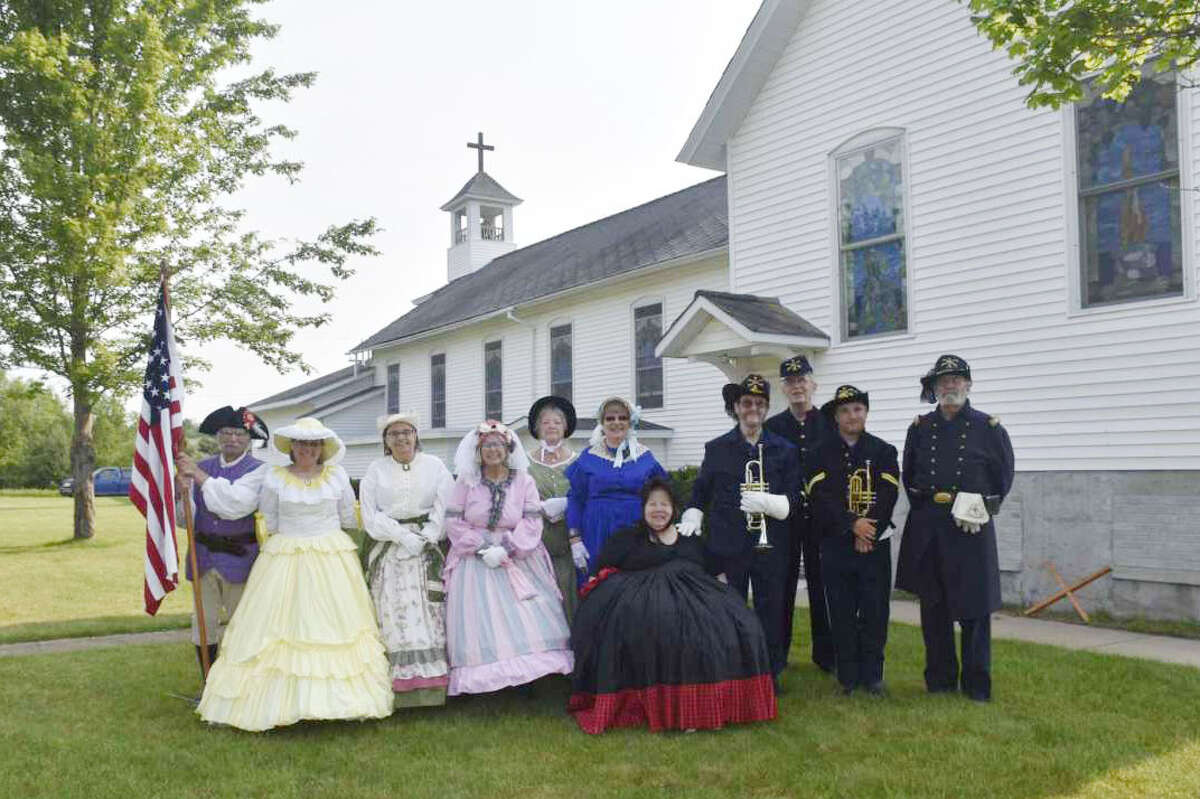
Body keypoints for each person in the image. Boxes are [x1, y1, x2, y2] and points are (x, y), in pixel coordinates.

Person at [175, 417, 392, 731]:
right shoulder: (275, 477)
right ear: (292, 447)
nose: (307, 450)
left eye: (314, 444)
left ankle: (335, 702)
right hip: (286, 555)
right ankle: (275, 701)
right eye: (302, 444)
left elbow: (347, 516)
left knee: (330, 625)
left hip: (330, 557)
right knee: (277, 629)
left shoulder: (337, 476)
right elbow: (271, 518)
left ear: (322, 448)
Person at [569, 477, 776, 734]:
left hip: (698, 607)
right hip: (644, 612)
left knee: (734, 628)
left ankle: (706, 707)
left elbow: (718, 574)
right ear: (643, 508)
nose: (659, 510)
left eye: (664, 504)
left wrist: (731, 607)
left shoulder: (690, 540)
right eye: (652, 504)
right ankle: (675, 709)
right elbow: (598, 574)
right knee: (668, 632)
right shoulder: (626, 539)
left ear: (674, 508)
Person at [896, 355, 1015, 702]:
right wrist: (927, 510)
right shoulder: (920, 428)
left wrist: (979, 508)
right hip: (930, 530)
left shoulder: (988, 428)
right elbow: (910, 476)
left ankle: (977, 686)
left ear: (968, 384)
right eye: (943, 380)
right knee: (934, 609)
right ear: (934, 388)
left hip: (970, 531)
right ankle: (940, 680)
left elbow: (1003, 478)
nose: (950, 385)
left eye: (956, 379)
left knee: (975, 610)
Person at [680, 374, 802, 688]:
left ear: (766, 408)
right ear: (736, 407)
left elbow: (794, 497)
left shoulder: (784, 449)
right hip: (728, 545)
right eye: (747, 403)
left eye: (760, 404)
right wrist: (693, 514)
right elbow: (701, 491)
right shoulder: (717, 448)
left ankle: (768, 674)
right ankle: (731, 670)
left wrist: (772, 503)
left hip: (771, 545)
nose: (753, 409)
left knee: (771, 610)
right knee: (729, 608)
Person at [443, 420, 573, 695]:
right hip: (475, 556)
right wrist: (481, 548)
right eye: (487, 446)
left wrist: (508, 548)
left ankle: (529, 678)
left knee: (527, 613)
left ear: (508, 449)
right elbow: (453, 521)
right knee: (480, 616)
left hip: (518, 552)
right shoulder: (466, 482)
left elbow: (532, 520)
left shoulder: (524, 481)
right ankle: (488, 678)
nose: (493, 450)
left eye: (498, 445)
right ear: (479, 451)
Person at [806, 386, 899, 695]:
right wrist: (852, 524)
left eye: (858, 409)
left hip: (875, 543)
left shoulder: (884, 451)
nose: (852, 416)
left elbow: (888, 495)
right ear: (836, 417)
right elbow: (820, 497)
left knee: (875, 611)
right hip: (836, 543)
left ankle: (873, 676)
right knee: (841, 610)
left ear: (866, 412)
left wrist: (868, 530)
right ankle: (847, 676)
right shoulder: (818, 452)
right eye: (845, 411)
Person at [359, 411, 455, 708]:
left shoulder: (435, 466)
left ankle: (433, 689)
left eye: (406, 432)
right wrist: (402, 536)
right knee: (392, 608)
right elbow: (370, 515)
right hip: (389, 547)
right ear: (385, 440)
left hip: (427, 547)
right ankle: (397, 690)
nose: (401, 438)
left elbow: (445, 506)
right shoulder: (376, 469)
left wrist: (427, 537)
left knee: (431, 611)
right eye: (394, 434)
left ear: (416, 436)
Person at [180, 405, 269, 681]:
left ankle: (241, 683)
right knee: (203, 623)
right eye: (227, 433)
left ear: (249, 439)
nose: (232, 439)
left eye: (239, 434)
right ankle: (208, 683)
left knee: (242, 623)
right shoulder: (201, 466)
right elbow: (184, 520)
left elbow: (234, 504)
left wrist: (198, 477)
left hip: (241, 557)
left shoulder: (259, 471)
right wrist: (181, 494)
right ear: (217, 436)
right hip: (203, 556)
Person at [764, 355, 835, 673]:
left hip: (822, 519)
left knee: (823, 586)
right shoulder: (773, 427)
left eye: (802, 380)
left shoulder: (830, 422)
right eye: (791, 382)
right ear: (784, 388)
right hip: (785, 518)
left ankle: (827, 655)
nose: (797, 387)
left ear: (813, 384)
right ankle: (778, 655)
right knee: (782, 585)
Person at [565, 397, 666, 578]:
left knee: (635, 584)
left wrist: (661, 529)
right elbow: (575, 499)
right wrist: (575, 539)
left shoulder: (645, 456)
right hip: (596, 530)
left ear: (630, 422)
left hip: (635, 530)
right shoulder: (588, 457)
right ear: (602, 423)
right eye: (610, 418)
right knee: (597, 583)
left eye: (622, 418)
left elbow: (663, 495)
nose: (616, 422)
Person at [526, 395, 581, 623]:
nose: (551, 426)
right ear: (537, 427)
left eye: (557, 422)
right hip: (535, 542)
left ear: (565, 427)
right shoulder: (525, 462)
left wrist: (568, 503)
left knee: (569, 594)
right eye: (546, 422)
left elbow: (585, 496)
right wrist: (537, 506)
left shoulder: (578, 461)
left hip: (570, 542)